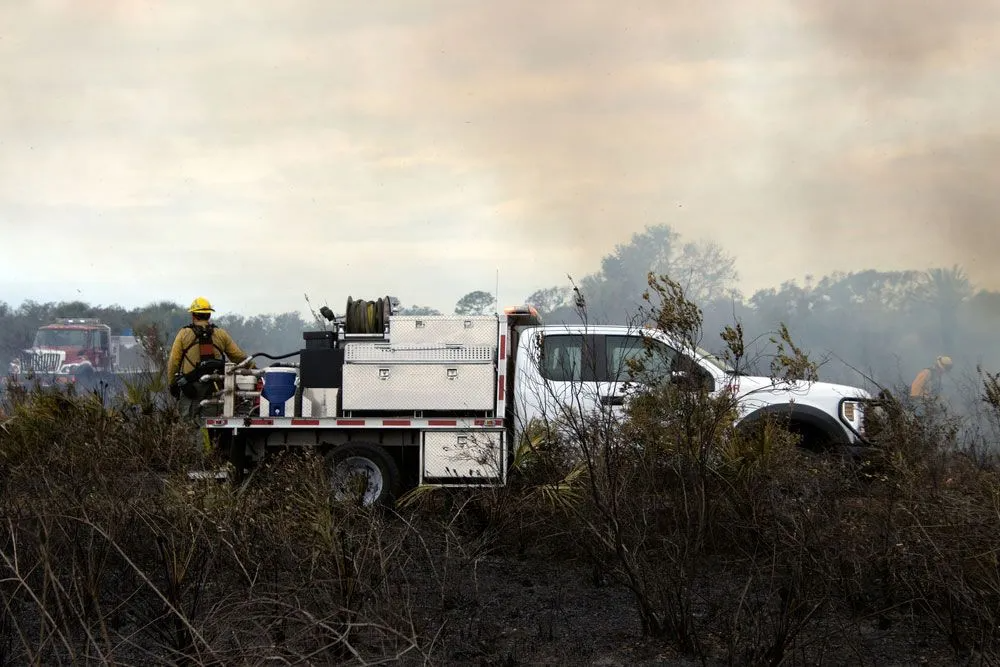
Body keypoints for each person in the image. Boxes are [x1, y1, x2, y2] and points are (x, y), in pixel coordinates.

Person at [167, 297, 252, 419]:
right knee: (210, 425)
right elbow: (238, 356)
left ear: (193, 315)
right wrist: (254, 368)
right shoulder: (220, 334)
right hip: (215, 388)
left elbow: (173, 362)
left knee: (188, 425)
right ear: (209, 315)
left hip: (190, 388)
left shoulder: (184, 334)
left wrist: (172, 383)